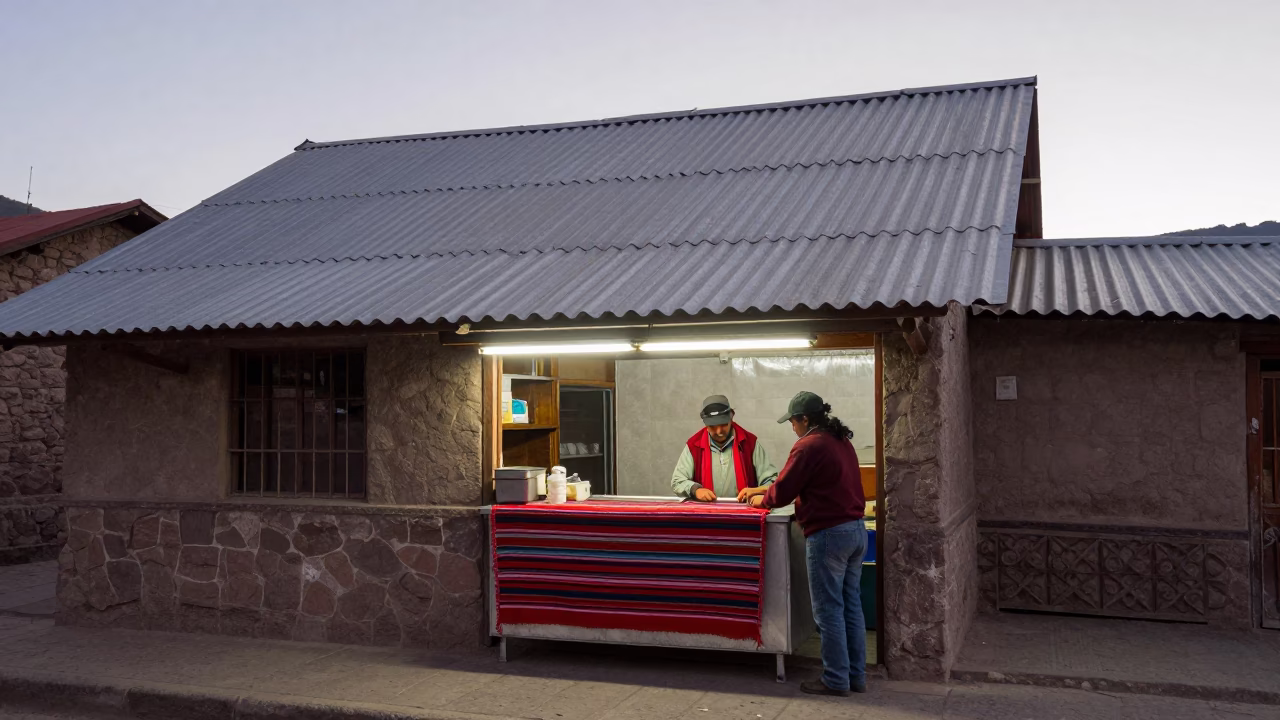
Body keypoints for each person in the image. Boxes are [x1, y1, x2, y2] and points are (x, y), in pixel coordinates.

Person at [738, 391, 867, 696]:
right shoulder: (838, 440)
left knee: (828, 610)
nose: (792, 427)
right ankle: (855, 676)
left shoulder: (808, 445)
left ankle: (835, 679)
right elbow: (796, 481)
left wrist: (761, 499)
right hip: (855, 531)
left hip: (829, 535)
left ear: (805, 419)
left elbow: (783, 493)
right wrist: (763, 487)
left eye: (793, 421)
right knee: (851, 606)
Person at [670, 394, 778, 502]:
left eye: (723, 425)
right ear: (705, 424)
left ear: (731, 418)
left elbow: (771, 482)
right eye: (713, 426)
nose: (719, 432)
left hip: (744, 513)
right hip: (705, 514)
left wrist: (757, 492)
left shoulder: (750, 443)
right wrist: (695, 490)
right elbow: (678, 481)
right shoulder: (694, 445)